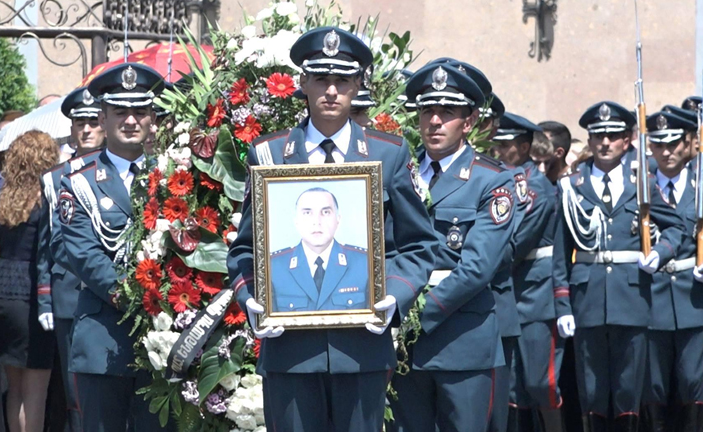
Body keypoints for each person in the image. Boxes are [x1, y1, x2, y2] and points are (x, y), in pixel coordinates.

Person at [227, 27, 438, 432]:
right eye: (321, 79)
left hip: (361, 350)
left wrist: (392, 296)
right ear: (302, 83)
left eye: (342, 80)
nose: (331, 91)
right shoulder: (268, 154)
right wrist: (252, 300)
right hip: (289, 351)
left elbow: (419, 245)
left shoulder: (388, 154)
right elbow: (244, 249)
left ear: (358, 85)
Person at [386, 62, 514, 432]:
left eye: (448, 112)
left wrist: (410, 317)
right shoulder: (399, 172)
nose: (435, 121)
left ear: (470, 120)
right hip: (403, 350)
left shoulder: (492, 179)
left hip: (461, 342)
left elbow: (477, 268)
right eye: (428, 110)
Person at [552, 101, 685, 431]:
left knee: (628, 390)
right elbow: (560, 253)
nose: (605, 142)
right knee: (591, 391)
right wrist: (562, 305)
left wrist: (661, 252)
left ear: (627, 140)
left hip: (632, 298)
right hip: (587, 300)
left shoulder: (643, 181)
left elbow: (677, 227)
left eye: (613, 135)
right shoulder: (572, 186)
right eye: (598, 135)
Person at [59, 63, 169, 431]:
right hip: (104, 339)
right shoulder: (78, 181)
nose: (131, 120)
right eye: (120, 112)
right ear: (103, 118)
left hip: (166, 341)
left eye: (140, 111)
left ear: (153, 117)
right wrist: (138, 297)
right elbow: (84, 255)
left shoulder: (173, 174)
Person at [37, 86, 105, 432]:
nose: (88, 129)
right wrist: (45, 298)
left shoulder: (120, 170)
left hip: (111, 293)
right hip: (69, 295)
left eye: (94, 121)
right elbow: (46, 244)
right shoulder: (53, 178)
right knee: (75, 392)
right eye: (81, 122)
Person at [492, 113, 565, 431]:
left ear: (523, 147)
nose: (497, 151)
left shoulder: (537, 189)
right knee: (512, 386)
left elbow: (517, 246)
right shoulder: (503, 182)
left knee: (540, 382)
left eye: (504, 145)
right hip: (508, 293)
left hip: (535, 295)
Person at [0, 130, 59, 432]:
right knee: (36, 391)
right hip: (34, 297)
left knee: (13, 388)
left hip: (0, 297)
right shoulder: (46, 198)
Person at [642, 111, 703, 431]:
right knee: (653, 385)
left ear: (688, 143)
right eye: (658, 144)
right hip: (652, 296)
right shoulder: (640, 186)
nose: (667, 151)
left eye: (675, 143)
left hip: (694, 298)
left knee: (695, 381)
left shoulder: (701, 183)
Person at [270, 187, 369, 312]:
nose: (317, 222)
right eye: (307, 213)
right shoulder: (273, 267)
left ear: (338, 219)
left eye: (326, 212)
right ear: (296, 221)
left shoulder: (365, 263)